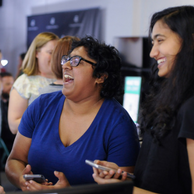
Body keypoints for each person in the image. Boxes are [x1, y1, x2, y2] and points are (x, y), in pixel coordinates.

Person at [5, 36, 140, 192]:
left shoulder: (119, 125)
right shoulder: (41, 105)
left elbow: (122, 190)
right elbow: (15, 160)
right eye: (66, 60)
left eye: (76, 61)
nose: (66, 66)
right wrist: (23, 181)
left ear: (100, 76)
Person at [92, 5, 194, 194]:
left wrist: (126, 190)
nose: (152, 53)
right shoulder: (168, 99)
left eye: (160, 40)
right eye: (153, 42)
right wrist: (124, 177)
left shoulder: (190, 106)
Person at [8, 32, 59, 134]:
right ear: (36, 53)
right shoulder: (24, 82)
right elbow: (14, 126)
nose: (55, 57)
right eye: (50, 52)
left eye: (58, 53)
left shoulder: (66, 79)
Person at [0, 72, 15, 152]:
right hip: (7, 142)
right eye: (7, 84)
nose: (11, 87)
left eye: (12, 84)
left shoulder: (12, 102)